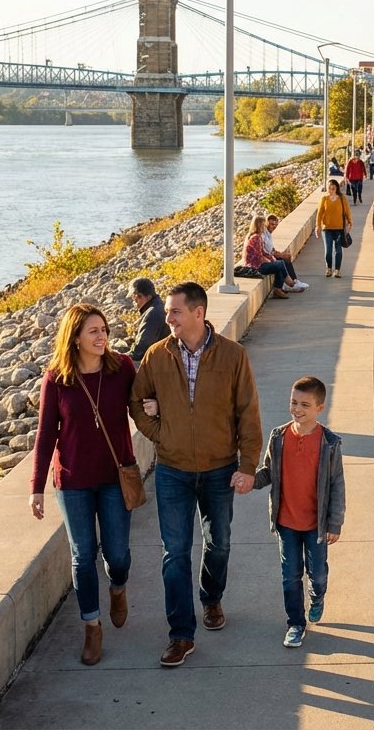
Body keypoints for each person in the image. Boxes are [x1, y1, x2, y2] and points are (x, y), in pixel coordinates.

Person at [128, 282, 264, 669]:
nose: (166, 317)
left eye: (174, 312)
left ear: (198, 313)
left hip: (221, 467)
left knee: (218, 543)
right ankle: (181, 635)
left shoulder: (233, 356)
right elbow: (136, 401)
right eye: (168, 311)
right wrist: (159, 434)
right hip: (173, 470)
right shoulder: (157, 355)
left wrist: (247, 465)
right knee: (175, 553)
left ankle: (212, 597)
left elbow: (248, 414)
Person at [30, 303, 137, 667]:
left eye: (104, 329)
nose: (101, 336)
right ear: (75, 337)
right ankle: (92, 626)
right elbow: (46, 436)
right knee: (82, 555)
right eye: (93, 331)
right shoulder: (57, 379)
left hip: (114, 477)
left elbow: (140, 403)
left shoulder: (121, 368)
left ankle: (118, 587)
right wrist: (37, 487)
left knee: (118, 554)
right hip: (73, 480)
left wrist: (151, 407)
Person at [253, 376, 346, 649]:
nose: (297, 409)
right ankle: (295, 623)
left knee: (317, 574)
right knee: (290, 574)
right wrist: (249, 481)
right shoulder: (279, 437)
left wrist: (335, 523)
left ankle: (317, 597)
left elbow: (337, 484)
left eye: (305, 404)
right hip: (287, 522)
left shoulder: (329, 443)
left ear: (320, 408)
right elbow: (269, 471)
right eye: (294, 402)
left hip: (316, 524)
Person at [242, 215, 291, 299]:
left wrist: (271, 258)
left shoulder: (257, 236)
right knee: (279, 264)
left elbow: (263, 252)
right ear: (259, 226)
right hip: (255, 266)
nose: (264, 227)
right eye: (263, 225)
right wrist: (269, 261)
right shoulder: (256, 238)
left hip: (257, 264)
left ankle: (279, 288)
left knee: (278, 265)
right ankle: (288, 283)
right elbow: (259, 256)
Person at [315, 179, 353, 278]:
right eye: (329, 188)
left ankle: (337, 270)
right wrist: (318, 227)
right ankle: (328, 268)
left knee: (338, 250)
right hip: (327, 228)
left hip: (339, 228)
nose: (331, 190)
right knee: (328, 250)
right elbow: (319, 214)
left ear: (336, 188)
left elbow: (347, 211)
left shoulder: (342, 198)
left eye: (333, 188)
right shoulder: (324, 199)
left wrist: (350, 222)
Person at [261, 213, 309, 292]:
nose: (274, 226)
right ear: (266, 223)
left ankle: (292, 281)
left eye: (275, 224)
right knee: (283, 261)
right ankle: (291, 283)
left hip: (268, 256)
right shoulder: (263, 234)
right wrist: (281, 255)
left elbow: (271, 249)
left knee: (285, 258)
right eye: (271, 224)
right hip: (265, 258)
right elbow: (268, 251)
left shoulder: (268, 234)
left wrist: (280, 254)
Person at [126, 277, 168, 363]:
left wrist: (120, 358)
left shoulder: (152, 314)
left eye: (134, 299)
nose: (134, 303)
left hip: (159, 363)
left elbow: (140, 351)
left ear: (140, 296)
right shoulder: (160, 306)